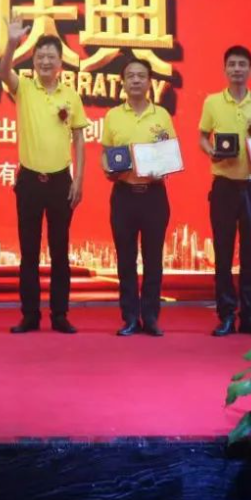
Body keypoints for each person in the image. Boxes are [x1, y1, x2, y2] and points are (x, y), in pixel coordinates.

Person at [0, 20, 89, 334]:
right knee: (29, 253)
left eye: (51, 57)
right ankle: (30, 315)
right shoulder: (24, 88)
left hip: (61, 180)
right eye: (40, 57)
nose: (45, 61)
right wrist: (12, 43)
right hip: (29, 181)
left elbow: (79, 139)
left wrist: (79, 179)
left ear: (60, 62)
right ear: (33, 61)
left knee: (60, 251)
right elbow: (3, 72)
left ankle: (60, 314)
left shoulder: (71, 95)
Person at [199, 44, 251, 337]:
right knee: (222, 254)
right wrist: (211, 151)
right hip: (223, 187)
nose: (237, 69)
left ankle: (250, 315)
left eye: (242, 64)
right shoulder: (212, 102)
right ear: (225, 69)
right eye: (232, 64)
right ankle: (226, 315)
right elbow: (202, 137)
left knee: (249, 255)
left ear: (250, 70)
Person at [100, 58, 175, 336]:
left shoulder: (162, 115)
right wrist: (108, 170)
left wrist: (162, 168)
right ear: (123, 82)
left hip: (154, 195)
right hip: (124, 195)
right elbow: (106, 153)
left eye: (141, 76)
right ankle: (130, 317)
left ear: (149, 81)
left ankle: (151, 317)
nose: (135, 80)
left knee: (153, 259)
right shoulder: (113, 116)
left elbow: (170, 153)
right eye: (130, 76)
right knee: (126, 259)